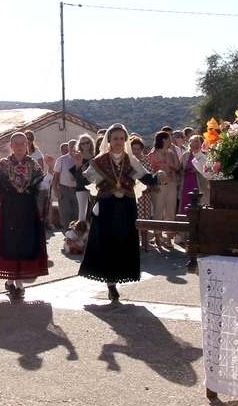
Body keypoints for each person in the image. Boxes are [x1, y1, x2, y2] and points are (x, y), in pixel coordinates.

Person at [76, 124, 168, 305]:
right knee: (106, 242)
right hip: (106, 206)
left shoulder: (131, 160)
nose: (118, 141)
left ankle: (119, 275)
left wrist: (158, 174)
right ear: (109, 140)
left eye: (121, 138)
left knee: (124, 240)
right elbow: (83, 180)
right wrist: (78, 166)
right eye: (115, 138)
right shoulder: (100, 161)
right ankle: (110, 282)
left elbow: (146, 177)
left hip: (126, 206)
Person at [0, 132, 50, 303]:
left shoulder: (33, 165)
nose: (19, 146)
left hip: (27, 208)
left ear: (27, 145)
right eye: (16, 143)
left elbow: (42, 185)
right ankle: (17, 284)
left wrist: (52, 170)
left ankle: (15, 283)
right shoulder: (4, 164)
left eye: (22, 143)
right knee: (10, 243)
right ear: (10, 146)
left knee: (24, 243)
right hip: (9, 209)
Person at [148, 131, 179, 250]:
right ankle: (158, 239)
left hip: (172, 183)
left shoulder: (171, 154)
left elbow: (177, 166)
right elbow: (150, 171)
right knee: (158, 211)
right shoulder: (152, 155)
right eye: (169, 139)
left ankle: (169, 240)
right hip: (159, 185)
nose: (171, 141)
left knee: (171, 210)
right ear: (163, 140)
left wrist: (175, 152)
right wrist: (153, 184)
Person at [129, 135, 156, 250]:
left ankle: (145, 242)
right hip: (131, 193)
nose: (136, 151)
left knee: (144, 217)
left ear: (141, 149)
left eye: (138, 149)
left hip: (145, 194)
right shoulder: (128, 160)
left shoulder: (146, 159)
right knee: (134, 218)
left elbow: (150, 174)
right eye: (134, 149)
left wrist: (147, 187)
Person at [70, 135, 96, 226]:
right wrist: (79, 166)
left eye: (87, 142)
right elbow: (74, 176)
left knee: (95, 209)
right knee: (82, 211)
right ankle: (81, 231)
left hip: (94, 185)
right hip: (81, 186)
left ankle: (93, 230)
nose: (85, 145)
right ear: (80, 145)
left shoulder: (95, 156)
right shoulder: (77, 156)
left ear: (91, 143)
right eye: (82, 143)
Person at [52, 140, 78, 231]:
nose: (73, 149)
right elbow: (56, 175)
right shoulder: (61, 160)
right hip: (64, 189)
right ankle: (67, 232)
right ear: (68, 148)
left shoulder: (81, 158)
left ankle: (75, 232)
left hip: (77, 189)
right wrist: (55, 189)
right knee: (65, 212)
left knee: (76, 211)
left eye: (75, 147)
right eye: (71, 147)